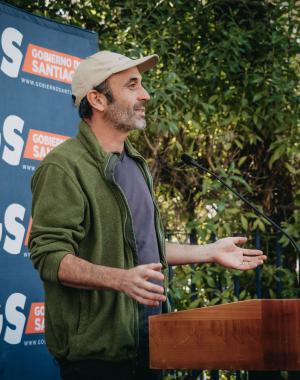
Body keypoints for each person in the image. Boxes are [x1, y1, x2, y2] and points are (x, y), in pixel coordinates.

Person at [28, 50, 266, 380]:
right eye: (132, 85)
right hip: (98, 358)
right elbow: (49, 256)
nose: (146, 94)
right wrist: (120, 279)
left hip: (150, 344)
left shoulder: (135, 164)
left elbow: (143, 249)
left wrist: (208, 252)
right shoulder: (63, 167)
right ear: (97, 99)